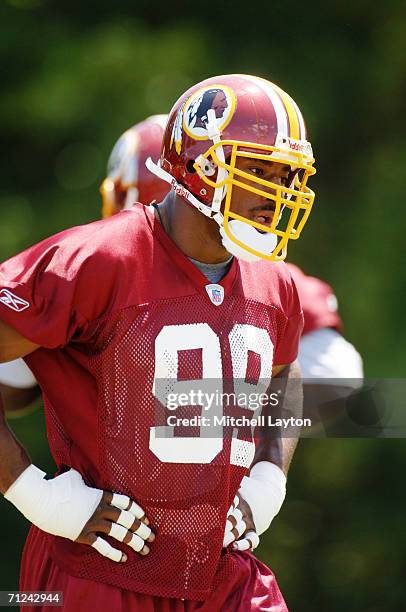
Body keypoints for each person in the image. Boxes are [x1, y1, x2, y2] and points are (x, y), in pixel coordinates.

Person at [0, 74, 317, 611]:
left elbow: (286, 373)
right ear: (204, 165)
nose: (279, 193)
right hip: (97, 570)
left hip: (224, 575)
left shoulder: (276, 280)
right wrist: (33, 492)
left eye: (287, 174)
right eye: (259, 170)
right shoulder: (100, 261)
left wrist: (269, 478)